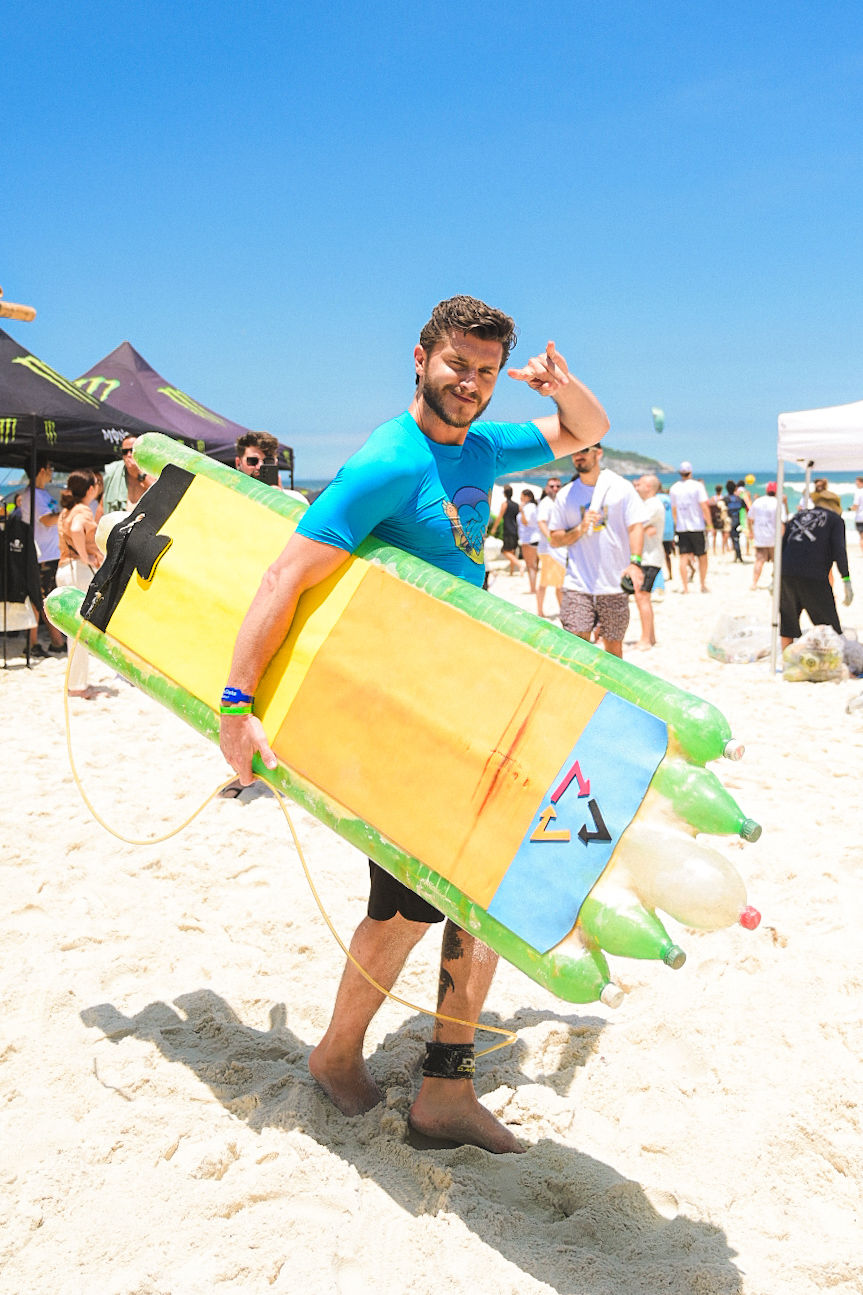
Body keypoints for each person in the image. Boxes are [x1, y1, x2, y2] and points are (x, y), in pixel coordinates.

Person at [218, 296, 610, 1153]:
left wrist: (559, 386)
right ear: (419, 357)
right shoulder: (387, 462)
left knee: (472, 891)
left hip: (465, 706)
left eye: (485, 372)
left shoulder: (481, 445)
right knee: (412, 909)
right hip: (399, 714)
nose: (468, 384)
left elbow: (584, 429)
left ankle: (434, 1085)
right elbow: (285, 574)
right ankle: (351, 1060)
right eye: (455, 365)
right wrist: (237, 706)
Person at [549, 444, 645, 658]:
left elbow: (636, 526)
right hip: (577, 584)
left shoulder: (621, 488)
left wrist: (635, 562)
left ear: (598, 453)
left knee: (613, 649)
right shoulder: (566, 495)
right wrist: (580, 528)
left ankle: (610, 691)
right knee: (575, 644)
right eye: (574, 452)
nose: (578, 456)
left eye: (584, 450)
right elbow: (554, 539)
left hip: (613, 584)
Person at [55, 469, 103, 697]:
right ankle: (78, 686)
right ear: (91, 489)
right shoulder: (83, 509)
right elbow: (76, 530)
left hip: (64, 569)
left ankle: (75, 683)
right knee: (81, 630)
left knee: (72, 632)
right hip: (79, 571)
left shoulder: (66, 511)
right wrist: (86, 556)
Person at [780, 501, 852, 648]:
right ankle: (835, 665)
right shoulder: (835, 520)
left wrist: (775, 575)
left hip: (786, 571)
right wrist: (846, 579)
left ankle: (787, 659)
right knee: (829, 627)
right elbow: (839, 551)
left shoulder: (798, 516)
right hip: (814, 574)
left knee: (788, 621)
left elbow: (783, 545)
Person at [19, 457, 66, 657]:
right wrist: (67, 514)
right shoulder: (34, 495)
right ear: (41, 470)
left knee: (41, 597)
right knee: (46, 597)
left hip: (48, 552)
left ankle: (36, 642)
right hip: (42, 554)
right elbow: (46, 520)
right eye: (50, 468)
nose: (52, 471)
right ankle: (55, 640)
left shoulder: (41, 494)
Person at [632, 474, 666, 649]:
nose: (636, 486)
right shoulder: (647, 504)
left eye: (641, 484)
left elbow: (634, 523)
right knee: (642, 597)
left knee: (642, 597)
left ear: (650, 487)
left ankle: (646, 639)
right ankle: (650, 636)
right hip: (648, 556)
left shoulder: (652, 504)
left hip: (649, 557)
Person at [668, 462, 711, 592]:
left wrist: (677, 523)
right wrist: (710, 524)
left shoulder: (674, 488)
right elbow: (704, 506)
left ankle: (685, 587)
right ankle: (702, 584)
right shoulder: (698, 486)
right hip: (697, 526)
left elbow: (674, 509)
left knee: (683, 557)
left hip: (682, 527)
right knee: (702, 556)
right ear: (691, 472)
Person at [102, 436, 156, 513]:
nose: (129, 455)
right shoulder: (114, 475)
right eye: (125, 452)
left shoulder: (152, 471)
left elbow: (160, 494)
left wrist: (140, 473)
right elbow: (102, 507)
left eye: (132, 450)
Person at [535, 476, 564, 617]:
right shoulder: (546, 503)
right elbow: (541, 522)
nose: (555, 488)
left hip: (557, 549)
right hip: (548, 549)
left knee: (559, 582)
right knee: (546, 582)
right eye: (552, 486)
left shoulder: (560, 502)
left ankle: (562, 610)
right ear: (547, 488)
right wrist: (550, 538)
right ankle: (540, 611)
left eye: (558, 486)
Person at [748, 482, 780, 590]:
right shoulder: (778, 502)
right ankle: (775, 582)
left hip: (760, 535)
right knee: (777, 561)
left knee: (759, 560)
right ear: (776, 491)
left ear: (767, 490)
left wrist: (751, 531)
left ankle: (754, 583)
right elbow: (782, 521)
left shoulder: (758, 501)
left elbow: (750, 518)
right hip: (774, 537)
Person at [491, 485, 521, 575]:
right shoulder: (517, 505)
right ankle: (511, 572)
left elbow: (500, 516)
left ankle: (519, 565)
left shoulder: (505, 504)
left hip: (508, 529)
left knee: (505, 551)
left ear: (504, 494)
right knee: (512, 551)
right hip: (515, 529)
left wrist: (494, 528)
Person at [517, 489, 540, 593]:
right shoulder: (533, 507)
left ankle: (533, 588)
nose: (521, 498)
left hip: (528, 538)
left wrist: (521, 511)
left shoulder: (529, 507)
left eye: (522, 496)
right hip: (533, 538)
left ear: (527, 497)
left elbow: (526, 522)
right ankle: (533, 587)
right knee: (533, 564)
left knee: (530, 565)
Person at [724, 480, 747, 563]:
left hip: (730, 521)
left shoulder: (726, 498)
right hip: (738, 520)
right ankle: (738, 555)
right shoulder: (739, 498)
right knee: (737, 537)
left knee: (734, 538)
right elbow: (745, 507)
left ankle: (737, 555)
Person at [709, 485, 728, 554]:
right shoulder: (723, 498)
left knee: (714, 535)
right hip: (721, 517)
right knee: (723, 534)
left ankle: (714, 550)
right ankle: (723, 549)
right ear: (721, 490)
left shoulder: (713, 498)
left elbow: (710, 507)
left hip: (715, 517)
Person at [850, 476, 863, 553]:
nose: (856, 484)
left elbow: (855, 506)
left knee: (862, 537)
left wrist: (849, 508)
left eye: (857, 482)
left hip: (860, 517)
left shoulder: (858, 492)